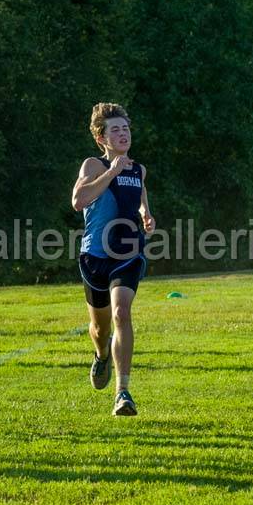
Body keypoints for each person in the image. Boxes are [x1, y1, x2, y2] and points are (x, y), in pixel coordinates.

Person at [71, 103, 154, 416]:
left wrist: (147, 215)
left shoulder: (138, 169)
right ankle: (101, 353)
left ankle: (123, 393)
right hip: (95, 256)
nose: (123, 134)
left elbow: (140, 196)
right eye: (115, 129)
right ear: (101, 138)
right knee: (100, 329)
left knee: (121, 312)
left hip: (127, 252)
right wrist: (111, 171)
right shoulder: (93, 165)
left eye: (126, 128)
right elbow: (78, 201)